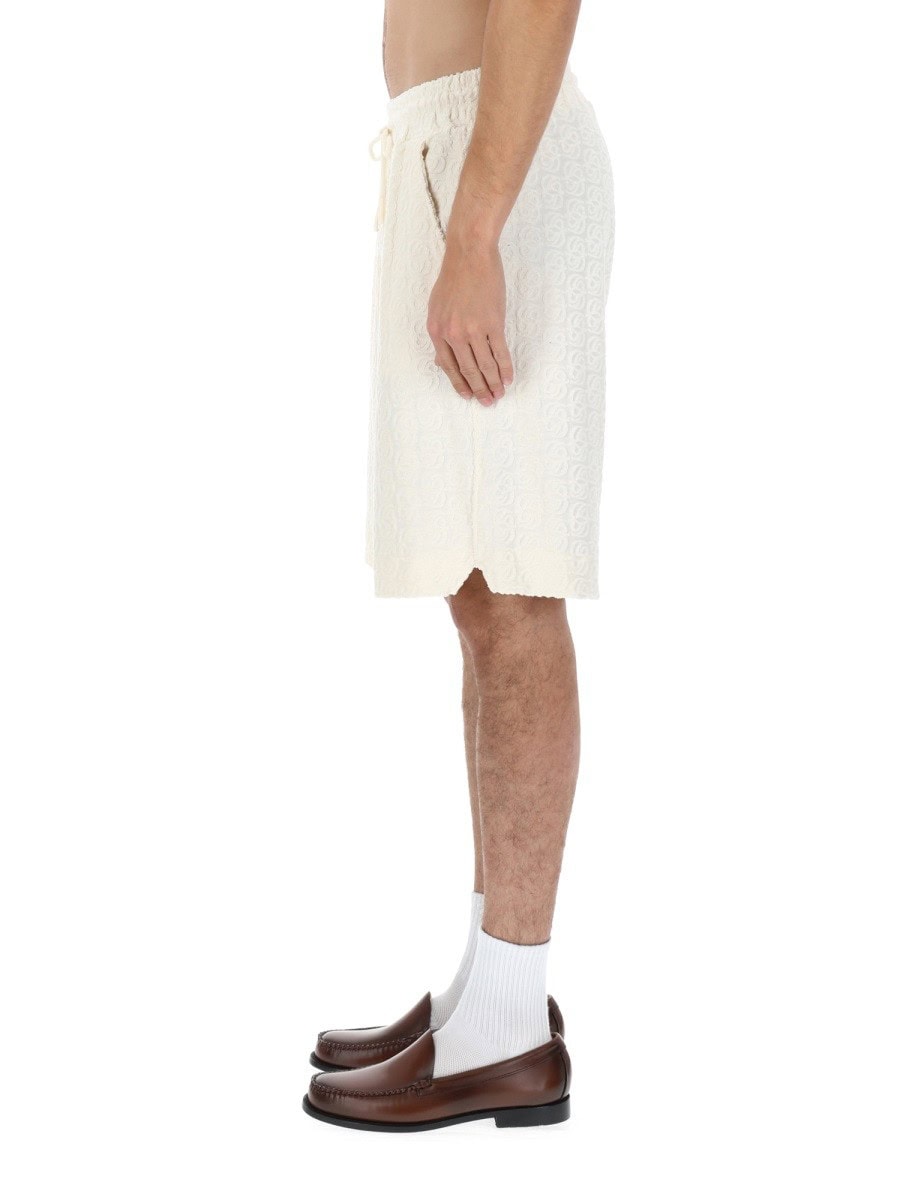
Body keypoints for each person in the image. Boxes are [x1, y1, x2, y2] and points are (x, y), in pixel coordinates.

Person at [304, 0, 614, 1131]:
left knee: (517, 590)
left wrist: (476, 236)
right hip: (460, 158)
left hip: (496, 174)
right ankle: (488, 992)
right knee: (483, 601)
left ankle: (509, 1033)